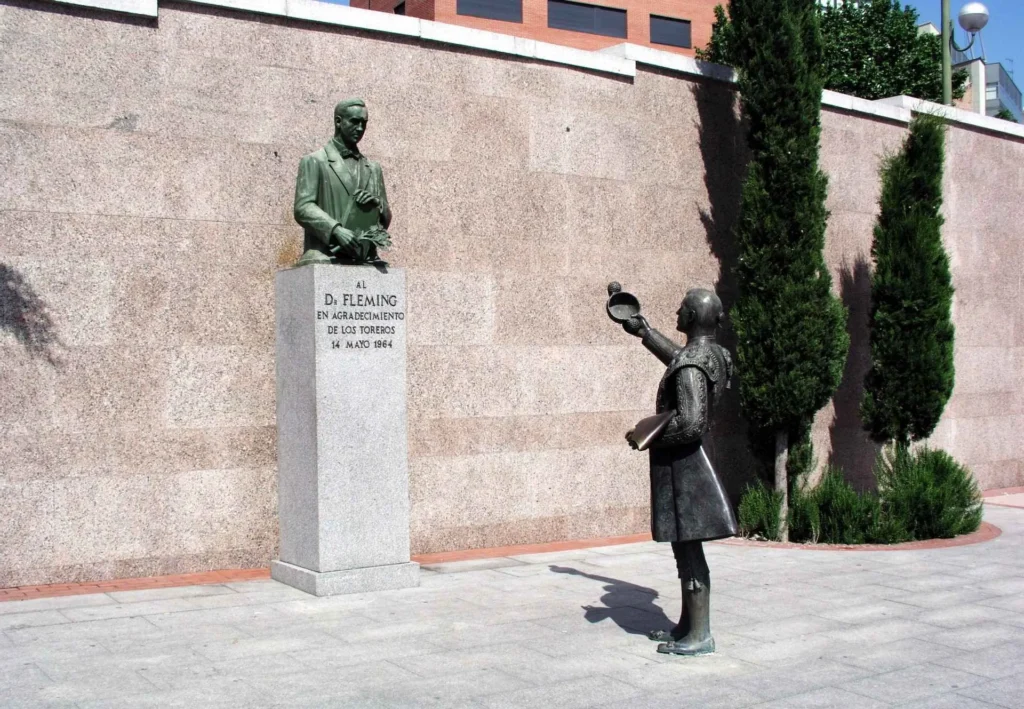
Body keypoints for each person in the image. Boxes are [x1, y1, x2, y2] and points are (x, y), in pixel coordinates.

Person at [620, 288, 738, 656]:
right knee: (684, 546)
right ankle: (688, 624)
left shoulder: (691, 364)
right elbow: (681, 358)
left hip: (685, 466)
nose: (677, 310)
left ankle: (699, 634)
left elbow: (690, 423)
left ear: (691, 317)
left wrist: (645, 433)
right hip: (693, 462)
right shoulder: (713, 354)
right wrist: (646, 332)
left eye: (682, 308)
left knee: (688, 550)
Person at [293, 98, 392, 265]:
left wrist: (377, 205)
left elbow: (386, 218)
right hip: (326, 253)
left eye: (364, 123)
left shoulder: (373, 168)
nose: (360, 128)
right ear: (338, 121)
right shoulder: (315, 161)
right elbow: (303, 208)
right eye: (354, 121)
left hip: (363, 255)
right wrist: (335, 230)